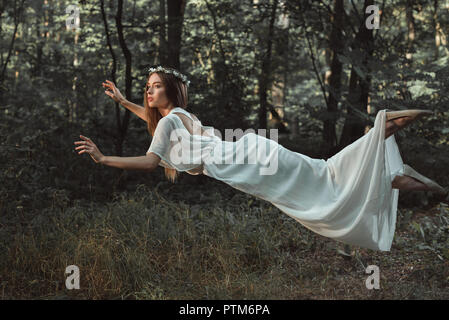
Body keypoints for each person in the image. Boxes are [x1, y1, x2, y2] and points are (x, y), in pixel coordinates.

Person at [74, 65, 448, 251]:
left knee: (320, 194)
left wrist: (105, 159)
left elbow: (151, 161)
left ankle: (383, 130)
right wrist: (125, 102)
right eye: (147, 87)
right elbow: (156, 122)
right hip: (251, 153)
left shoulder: (172, 121)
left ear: (169, 90)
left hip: (245, 164)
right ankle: (389, 171)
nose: (149, 92)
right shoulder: (181, 119)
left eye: (155, 87)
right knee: (323, 176)